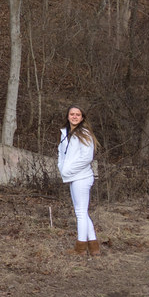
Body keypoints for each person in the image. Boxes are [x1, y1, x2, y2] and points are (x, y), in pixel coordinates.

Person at [58, 105, 100, 256]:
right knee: (82, 212)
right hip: (72, 177)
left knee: (80, 213)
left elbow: (86, 158)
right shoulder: (65, 133)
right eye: (72, 114)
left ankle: (80, 248)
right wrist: (62, 168)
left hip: (82, 177)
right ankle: (94, 247)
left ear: (82, 118)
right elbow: (61, 154)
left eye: (78, 114)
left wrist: (68, 171)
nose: (74, 116)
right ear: (68, 116)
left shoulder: (84, 133)